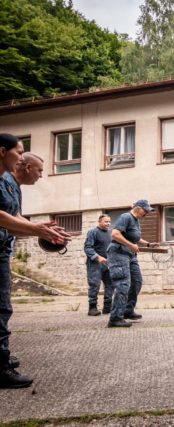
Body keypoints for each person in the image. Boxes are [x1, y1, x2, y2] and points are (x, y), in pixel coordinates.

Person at [0, 134, 70, 388]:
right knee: (2, 308)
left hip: (3, 251)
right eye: (39, 170)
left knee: (2, 308)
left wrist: (43, 230)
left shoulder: (12, 186)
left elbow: (15, 219)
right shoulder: (4, 179)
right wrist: (39, 229)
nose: (41, 175)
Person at [107, 200, 157, 328]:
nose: (147, 213)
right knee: (123, 284)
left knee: (136, 281)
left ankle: (127, 311)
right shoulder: (125, 217)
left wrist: (147, 244)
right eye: (145, 210)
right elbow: (115, 234)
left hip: (130, 254)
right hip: (119, 253)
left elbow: (134, 237)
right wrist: (130, 245)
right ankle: (115, 318)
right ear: (138, 208)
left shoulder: (135, 221)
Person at [84, 215, 113, 316]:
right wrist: (98, 257)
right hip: (95, 264)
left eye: (109, 222)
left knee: (110, 285)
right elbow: (88, 248)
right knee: (95, 285)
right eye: (106, 222)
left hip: (108, 263)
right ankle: (92, 308)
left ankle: (107, 307)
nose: (108, 224)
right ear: (99, 222)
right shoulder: (93, 232)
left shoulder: (111, 233)